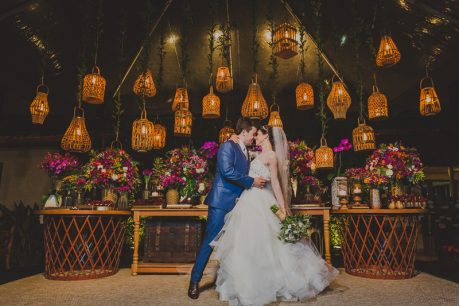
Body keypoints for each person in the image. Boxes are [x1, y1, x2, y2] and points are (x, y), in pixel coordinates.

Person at [211, 125, 338, 306]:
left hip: (261, 200)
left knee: (269, 243)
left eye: (258, 135)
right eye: (254, 135)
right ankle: (245, 281)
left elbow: (276, 184)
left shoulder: (271, 156)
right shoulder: (256, 154)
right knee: (247, 243)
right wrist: (233, 136)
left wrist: (283, 207)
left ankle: (269, 284)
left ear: (265, 137)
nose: (255, 137)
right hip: (248, 200)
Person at [188, 117, 267, 299]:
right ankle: (194, 281)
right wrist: (252, 181)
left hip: (239, 205)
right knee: (209, 242)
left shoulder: (245, 151)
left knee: (236, 245)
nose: (254, 138)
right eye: (253, 134)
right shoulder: (227, 146)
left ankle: (232, 282)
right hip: (221, 203)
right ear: (244, 132)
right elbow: (227, 171)